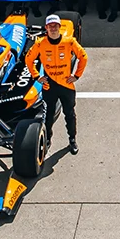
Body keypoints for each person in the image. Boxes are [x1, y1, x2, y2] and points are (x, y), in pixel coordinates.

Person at [26, 13, 87, 154]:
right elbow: (29, 60)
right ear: (46, 27)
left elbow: (83, 56)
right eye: (50, 26)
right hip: (49, 86)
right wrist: (37, 76)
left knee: (70, 114)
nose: (53, 28)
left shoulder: (69, 41)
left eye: (55, 25)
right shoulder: (40, 43)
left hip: (66, 85)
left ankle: (72, 139)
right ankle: (47, 139)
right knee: (48, 115)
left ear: (59, 27)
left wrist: (76, 75)